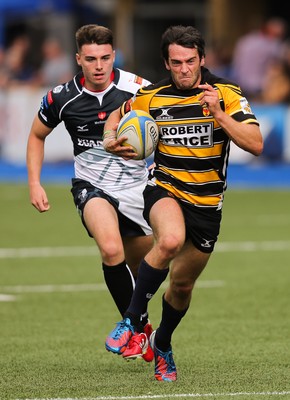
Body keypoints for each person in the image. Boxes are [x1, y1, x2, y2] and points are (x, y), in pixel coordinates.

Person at [103, 25, 263, 381]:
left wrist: (219, 114)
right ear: (167, 63)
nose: (185, 69)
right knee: (170, 240)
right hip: (165, 188)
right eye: (177, 63)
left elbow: (255, 144)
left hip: (207, 205)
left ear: (202, 60)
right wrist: (111, 138)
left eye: (191, 61)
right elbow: (117, 113)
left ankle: (162, 343)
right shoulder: (151, 96)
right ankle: (131, 320)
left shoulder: (227, 93)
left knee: (182, 286)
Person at [26, 24, 155, 362]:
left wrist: (154, 157)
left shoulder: (138, 89)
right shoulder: (60, 97)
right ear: (78, 59)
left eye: (106, 58)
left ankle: (139, 323)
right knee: (110, 249)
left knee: (143, 270)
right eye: (91, 59)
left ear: (114, 55)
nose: (99, 66)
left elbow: (166, 127)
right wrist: (35, 182)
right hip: (92, 187)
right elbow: (37, 135)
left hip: (136, 189)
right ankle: (136, 329)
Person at [231, 17, 287, 100]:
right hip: (261, 88)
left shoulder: (244, 41)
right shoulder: (273, 45)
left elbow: (236, 64)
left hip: (241, 84)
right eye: (279, 35)